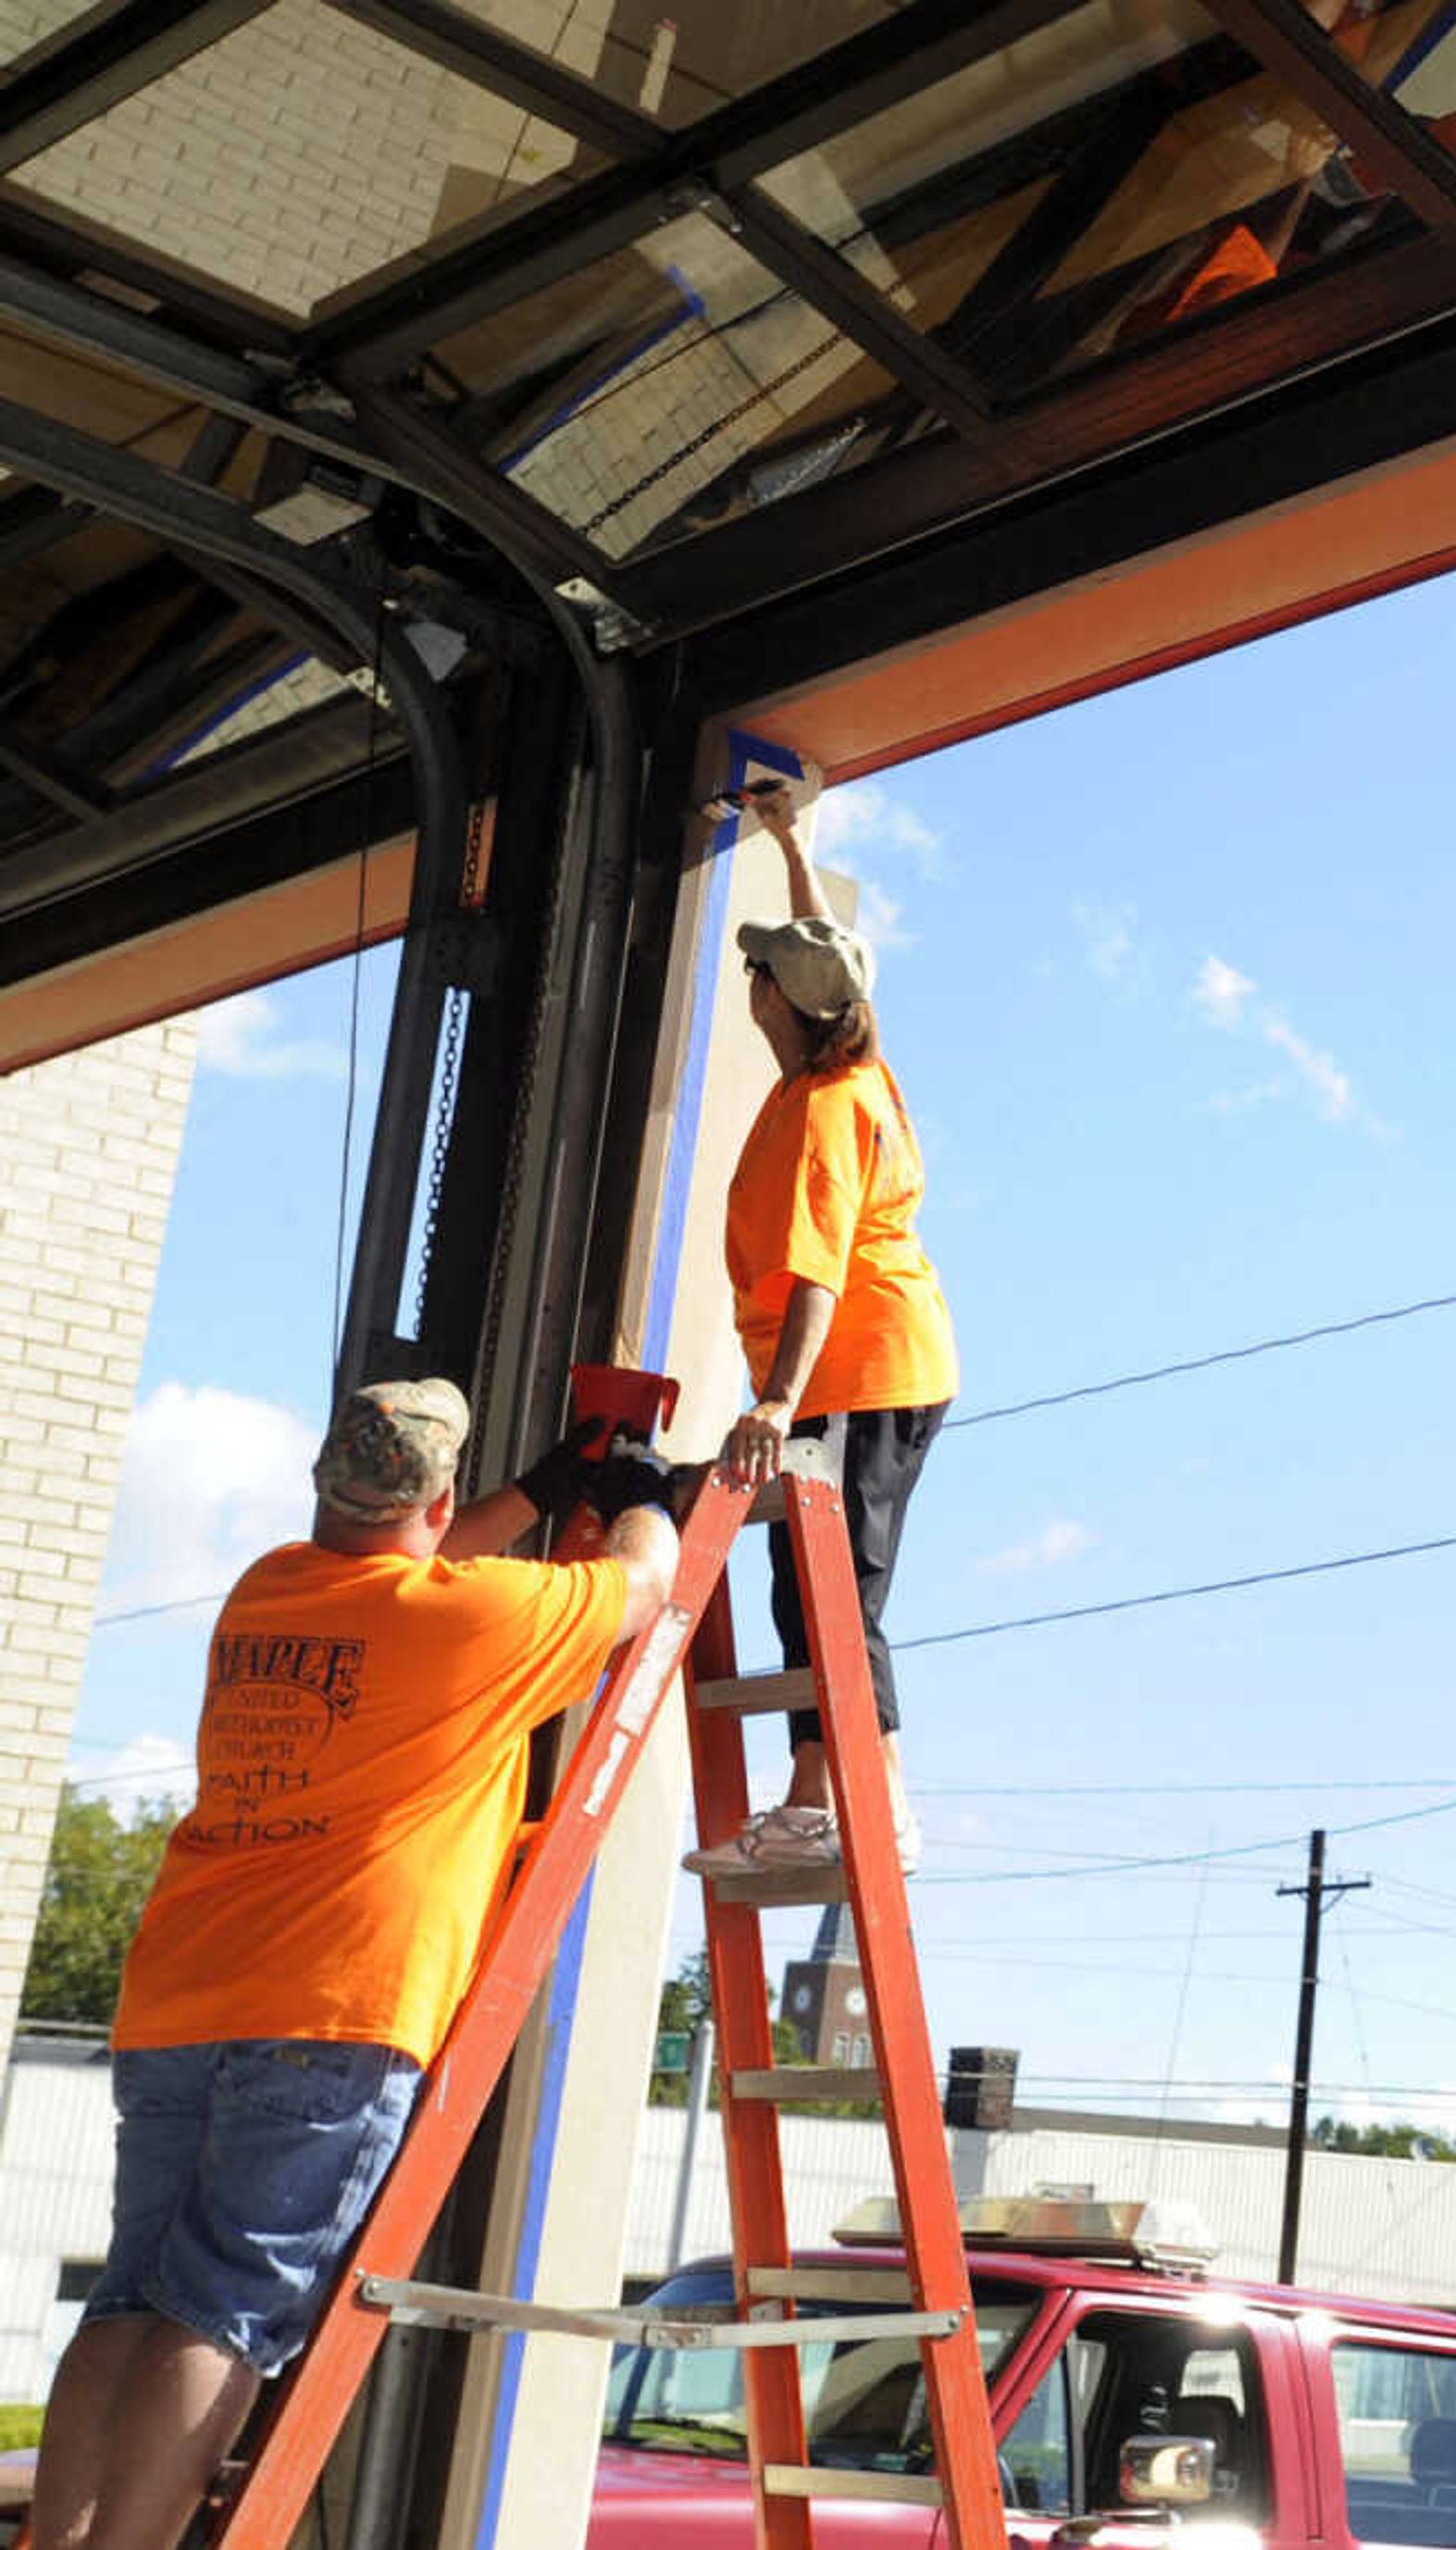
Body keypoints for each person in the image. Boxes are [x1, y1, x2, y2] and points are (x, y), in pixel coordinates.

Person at [26, 1380, 677, 2550]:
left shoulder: (268, 1588)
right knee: (218, 2311)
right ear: (436, 1499)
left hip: (182, 1991)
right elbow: (645, 1584)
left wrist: (536, 1490)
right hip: (333, 2004)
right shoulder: (474, 1621)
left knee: (130, 2301)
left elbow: (402, 1562)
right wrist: (640, 1492)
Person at [691, 784, 957, 1878]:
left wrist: (773, 1402)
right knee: (815, 1586)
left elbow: (814, 1277)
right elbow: (824, 952)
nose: (750, 980)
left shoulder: (821, 1113)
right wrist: (791, 843)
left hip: (857, 1364)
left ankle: (857, 1801)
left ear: (775, 1005)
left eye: (757, 972)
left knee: (835, 1591)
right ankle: (832, 1798)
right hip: (872, 1365)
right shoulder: (847, 1062)